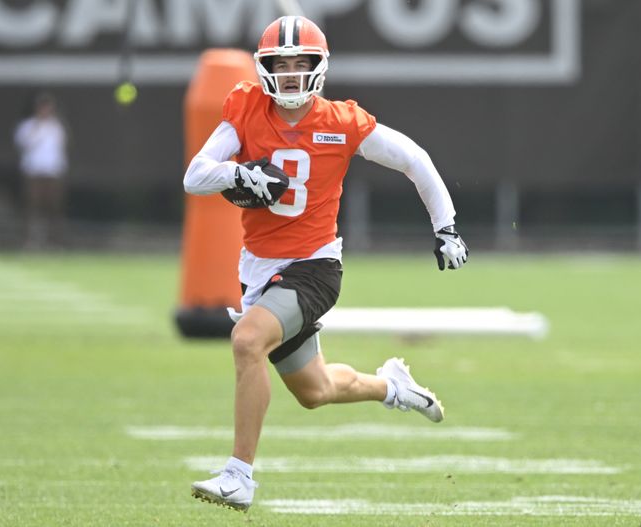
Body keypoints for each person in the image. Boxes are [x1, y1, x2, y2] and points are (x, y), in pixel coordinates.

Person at [183, 16, 468, 512]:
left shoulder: (341, 122)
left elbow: (414, 158)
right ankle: (392, 386)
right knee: (315, 390)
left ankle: (239, 476)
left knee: (247, 340)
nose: (291, 74)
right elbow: (196, 175)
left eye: (301, 63)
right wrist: (241, 173)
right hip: (260, 270)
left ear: (319, 67)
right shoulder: (247, 107)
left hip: (314, 268)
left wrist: (445, 226)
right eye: (281, 64)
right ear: (264, 69)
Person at [14, 92, 68, 249]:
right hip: (34, 172)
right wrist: (37, 127)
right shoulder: (28, 126)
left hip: (52, 172)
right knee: (32, 207)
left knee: (53, 207)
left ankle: (54, 242)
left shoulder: (56, 126)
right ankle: (30, 241)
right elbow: (23, 144)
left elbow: (60, 148)